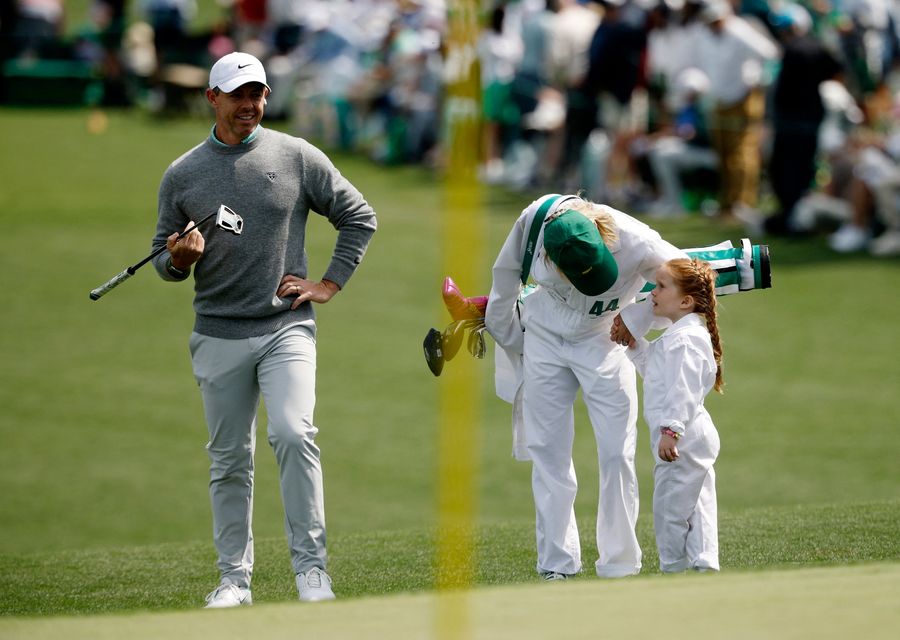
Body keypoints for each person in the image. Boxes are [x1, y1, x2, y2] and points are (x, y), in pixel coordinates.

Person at [150, 51, 377, 608]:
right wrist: (178, 261)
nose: (249, 104)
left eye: (257, 94)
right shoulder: (183, 174)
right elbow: (161, 256)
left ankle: (312, 572)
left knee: (295, 434)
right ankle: (234, 580)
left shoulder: (295, 155)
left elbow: (358, 216)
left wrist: (329, 283)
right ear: (213, 98)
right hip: (217, 331)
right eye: (238, 95)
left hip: (285, 326)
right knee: (229, 459)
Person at [484, 193, 686, 581]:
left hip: (606, 337)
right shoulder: (534, 223)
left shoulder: (638, 241)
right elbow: (505, 277)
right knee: (547, 451)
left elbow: (683, 282)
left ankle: (619, 565)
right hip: (544, 334)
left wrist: (637, 318)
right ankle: (556, 564)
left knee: (616, 451)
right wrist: (515, 340)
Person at [625, 257, 722, 573]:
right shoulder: (679, 336)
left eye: (661, 286)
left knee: (670, 507)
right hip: (690, 434)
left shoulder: (686, 340)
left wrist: (671, 430)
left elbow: (684, 389)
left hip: (683, 436)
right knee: (697, 503)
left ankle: (674, 568)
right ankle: (703, 562)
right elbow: (656, 373)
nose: (653, 292)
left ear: (685, 301)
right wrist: (634, 344)